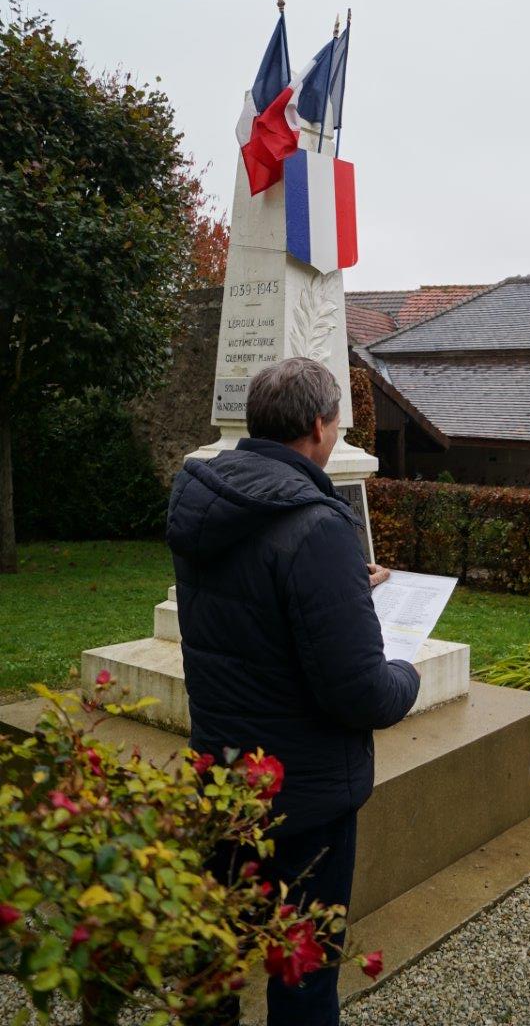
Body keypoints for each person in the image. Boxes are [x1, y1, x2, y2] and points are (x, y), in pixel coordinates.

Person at [166, 357, 420, 1025]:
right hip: (303, 796)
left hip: (223, 775)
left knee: (216, 955)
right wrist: (409, 675)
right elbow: (362, 692)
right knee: (302, 973)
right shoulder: (318, 523)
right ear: (316, 426)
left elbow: (251, 602)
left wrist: (340, 589)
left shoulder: (202, 500)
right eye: (337, 422)